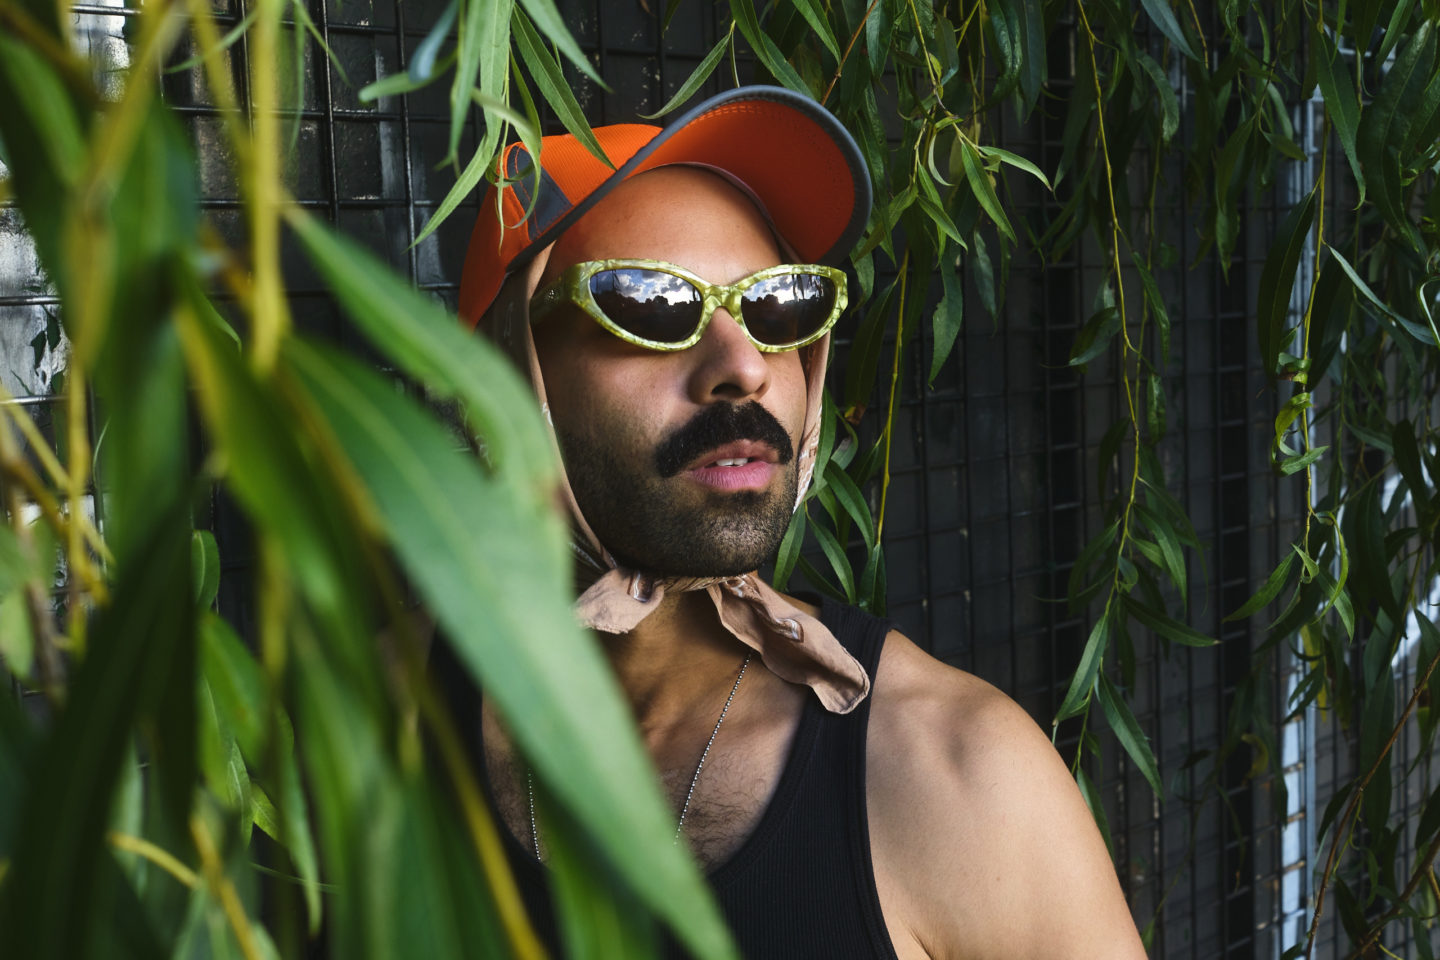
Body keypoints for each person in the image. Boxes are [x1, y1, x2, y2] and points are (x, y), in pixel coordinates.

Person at [456, 86, 1146, 959]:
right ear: (505, 376)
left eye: (779, 306)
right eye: (651, 305)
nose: (743, 365)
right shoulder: (380, 716)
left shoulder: (959, 777)